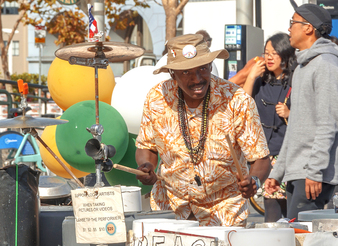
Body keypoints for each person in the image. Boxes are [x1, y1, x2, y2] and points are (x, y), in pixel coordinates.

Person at [135, 33, 270, 226]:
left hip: (224, 212)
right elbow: (147, 146)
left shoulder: (237, 100)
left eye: (202, 69)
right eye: (186, 72)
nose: (197, 78)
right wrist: (145, 166)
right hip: (170, 208)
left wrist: (254, 180)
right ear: (172, 73)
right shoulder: (157, 98)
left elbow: (261, 158)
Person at [265, 1, 338, 220]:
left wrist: (314, 171)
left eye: (292, 23)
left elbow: (328, 123)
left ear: (308, 28)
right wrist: (278, 172)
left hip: (312, 175)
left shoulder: (325, 64)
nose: (288, 29)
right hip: (298, 172)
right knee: (296, 241)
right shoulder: (303, 67)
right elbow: (295, 126)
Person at [243, 33, 296, 222]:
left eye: (275, 53)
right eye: (266, 53)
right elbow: (243, 105)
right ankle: (274, 241)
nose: (269, 57)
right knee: (271, 201)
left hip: (288, 152)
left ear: (285, 54)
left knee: (288, 205)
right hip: (266, 153)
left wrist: (290, 113)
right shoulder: (261, 81)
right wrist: (251, 76)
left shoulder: (295, 80)